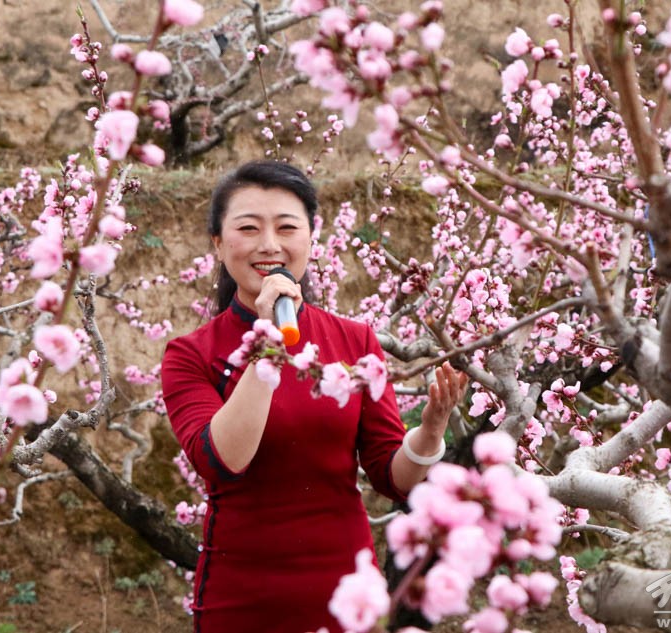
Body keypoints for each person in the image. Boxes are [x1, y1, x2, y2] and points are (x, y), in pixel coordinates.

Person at [161, 160, 467, 633]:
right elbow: (224, 460)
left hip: (347, 593)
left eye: (287, 227)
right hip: (240, 600)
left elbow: (392, 477)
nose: (270, 244)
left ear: (311, 238)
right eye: (248, 228)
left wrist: (429, 433)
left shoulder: (355, 340)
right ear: (218, 244)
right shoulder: (191, 354)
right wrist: (268, 340)